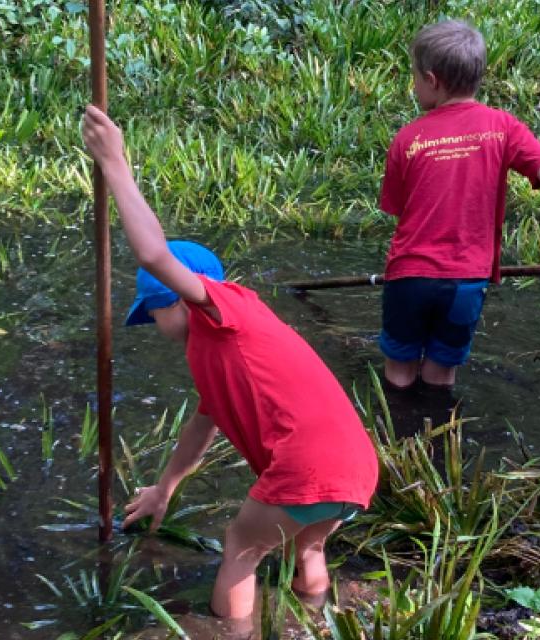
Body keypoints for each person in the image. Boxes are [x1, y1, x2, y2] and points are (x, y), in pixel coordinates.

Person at [81, 105, 379, 623]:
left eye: (152, 312)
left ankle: (228, 634)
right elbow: (202, 428)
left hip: (309, 466)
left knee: (241, 543)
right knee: (305, 549)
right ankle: (310, 623)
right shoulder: (222, 353)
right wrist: (164, 489)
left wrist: (116, 165)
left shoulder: (223, 307)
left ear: (174, 297)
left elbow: (152, 255)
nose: (154, 324)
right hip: (354, 467)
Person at [378, 18, 540, 390]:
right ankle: (439, 445)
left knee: (399, 374)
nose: (414, 84)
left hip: (409, 276)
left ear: (432, 80)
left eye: (414, 76)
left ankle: (395, 444)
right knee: (440, 377)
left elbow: (400, 211)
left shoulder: (408, 138)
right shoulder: (502, 127)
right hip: (466, 280)